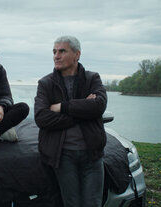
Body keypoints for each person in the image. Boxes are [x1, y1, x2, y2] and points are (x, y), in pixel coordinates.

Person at [34, 36, 107, 207]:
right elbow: (41, 117)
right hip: (63, 156)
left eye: (62, 51)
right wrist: (82, 111)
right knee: (71, 204)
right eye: (54, 52)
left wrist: (62, 107)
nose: (56, 56)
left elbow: (99, 106)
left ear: (77, 54)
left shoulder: (92, 79)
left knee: (93, 204)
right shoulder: (46, 83)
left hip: (92, 154)